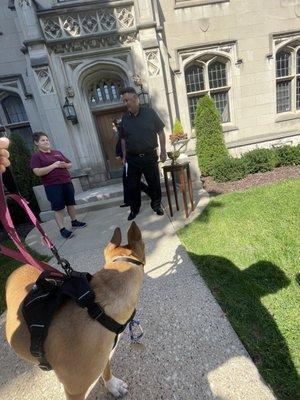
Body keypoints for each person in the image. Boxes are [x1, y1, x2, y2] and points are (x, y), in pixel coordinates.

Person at [119, 87, 167, 221]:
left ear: (136, 99)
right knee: (133, 186)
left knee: (154, 183)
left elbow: (161, 132)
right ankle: (134, 209)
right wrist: (123, 156)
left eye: (127, 100)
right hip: (132, 159)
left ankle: (156, 205)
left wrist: (163, 151)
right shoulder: (124, 118)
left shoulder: (150, 113)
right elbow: (122, 138)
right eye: (124, 101)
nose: (125, 103)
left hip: (149, 156)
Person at [30, 132, 86, 239]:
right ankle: (62, 229)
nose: (46, 141)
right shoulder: (36, 156)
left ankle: (74, 222)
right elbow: (37, 172)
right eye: (43, 140)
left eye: (47, 139)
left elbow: (69, 164)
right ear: (36, 143)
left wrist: (64, 165)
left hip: (66, 182)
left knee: (70, 203)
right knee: (58, 208)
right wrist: (54, 165)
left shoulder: (57, 152)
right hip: (52, 186)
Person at [112, 117, 151, 208]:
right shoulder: (120, 135)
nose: (112, 128)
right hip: (126, 161)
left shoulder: (126, 134)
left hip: (130, 161)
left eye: (113, 126)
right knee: (126, 181)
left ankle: (151, 192)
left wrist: (122, 156)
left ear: (118, 125)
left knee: (132, 181)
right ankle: (128, 201)